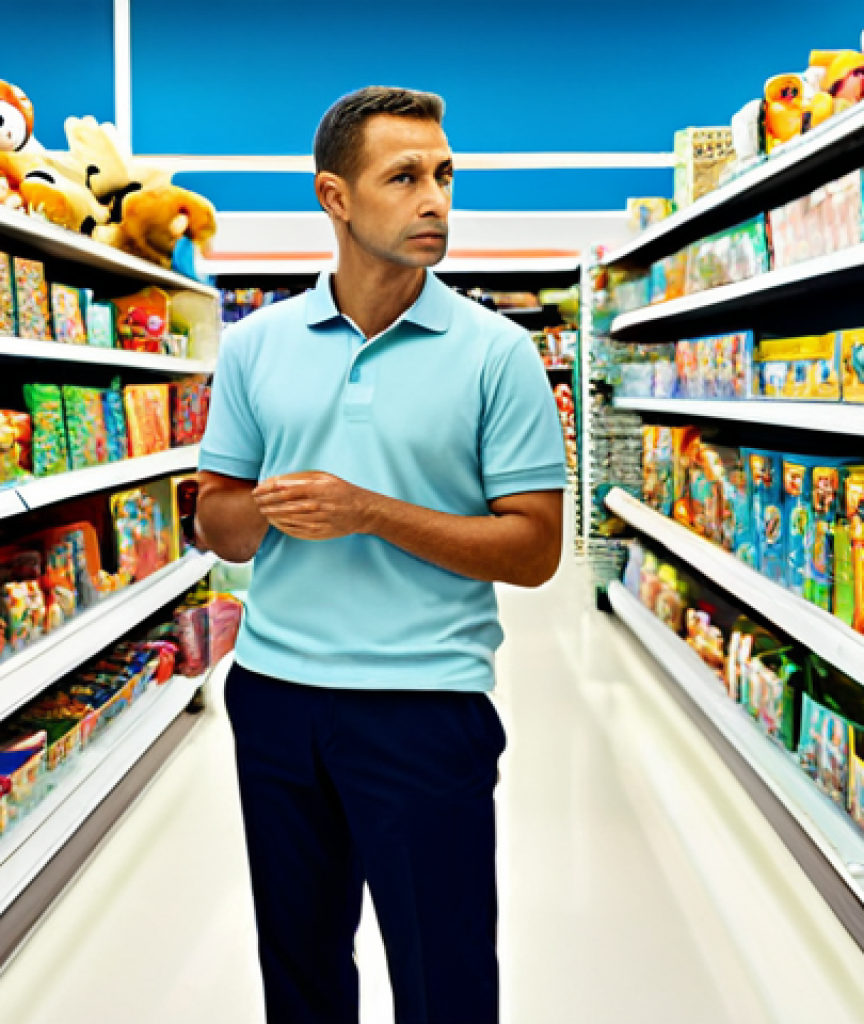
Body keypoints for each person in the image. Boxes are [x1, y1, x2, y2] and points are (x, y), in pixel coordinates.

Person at [196, 86, 567, 1024]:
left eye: (444, 175)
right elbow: (216, 523)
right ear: (336, 196)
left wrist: (368, 511)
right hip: (276, 697)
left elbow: (534, 550)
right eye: (404, 178)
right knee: (300, 972)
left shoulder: (498, 354)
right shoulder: (255, 346)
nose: (435, 199)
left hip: (425, 705)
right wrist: (271, 509)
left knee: (445, 982)